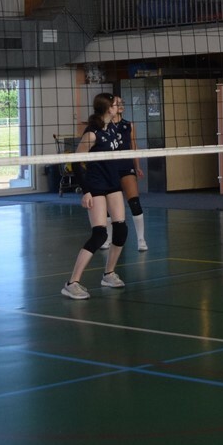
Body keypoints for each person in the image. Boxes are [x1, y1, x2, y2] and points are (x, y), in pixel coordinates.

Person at [61, 107, 129, 297]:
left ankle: (109, 274)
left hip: (112, 184)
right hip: (96, 185)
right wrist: (86, 191)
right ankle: (72, 283)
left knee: (121, 229)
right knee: (99, 235)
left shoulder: (113, 128)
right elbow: (76, 162)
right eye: (115, 104)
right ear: (107, 108)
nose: (119, 106)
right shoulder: (91, 134)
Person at [92, 92, 148, 251]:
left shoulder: (128, 125)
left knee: (134, 202)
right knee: (108, 206)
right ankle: (107, 238)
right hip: (109, 168)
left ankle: (141, 239)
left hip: (125, 165)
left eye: (120, 102)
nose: (120, 104)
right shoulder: (103, 126)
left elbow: (133, 147)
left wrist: (137, 166)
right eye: (116, 103)